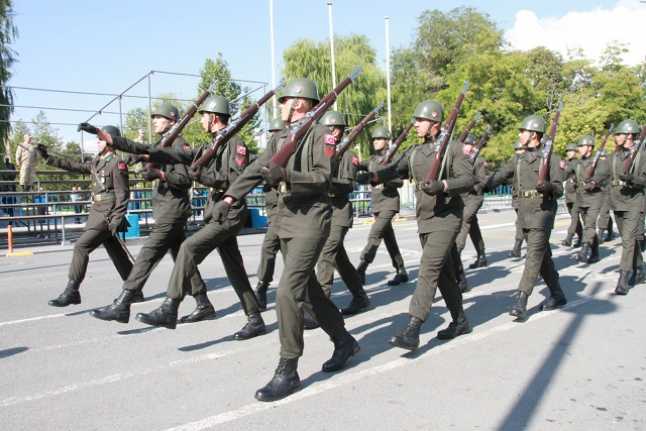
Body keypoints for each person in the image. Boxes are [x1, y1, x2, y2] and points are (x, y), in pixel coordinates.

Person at [218, 78, 359, 402]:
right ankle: (344, 341)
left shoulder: (321, 134)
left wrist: (287, 177)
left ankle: (288, 369)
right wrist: (229, 197)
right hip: (285, 220)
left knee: (287, 291)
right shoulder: (280, 137)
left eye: (284, 101)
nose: (280, 106)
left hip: (311, 220)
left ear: (298, 103)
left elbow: (323, 178)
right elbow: (256, 168)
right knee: (311, 292)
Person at [102, 95, 266, 339]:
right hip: (216, 211)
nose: (201, 122)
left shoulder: (235, 143)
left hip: (229, 212)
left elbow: (237, 182)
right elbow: (172, 155)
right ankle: (255, 319)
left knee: (188, 249)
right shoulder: (214, 142)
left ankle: (170, 305)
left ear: (214, 118)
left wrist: (201, 176)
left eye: (204, 117)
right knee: (235, 269)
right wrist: (127, 146)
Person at [362, 99, 474, 351]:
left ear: (434, 122)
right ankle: (460, 321)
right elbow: (395, 170)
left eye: (420, 121)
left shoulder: (453, 149)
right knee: (443, 274)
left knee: (428, 268)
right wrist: (373, 176)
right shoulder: (414, 152)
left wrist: (444, 185)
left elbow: (469, 178)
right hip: (425, 219)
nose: (415, 125)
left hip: (446, 218)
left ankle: (413, 328)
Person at [88, 103, 213, 324]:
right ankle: (203, 303)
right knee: (182, 258)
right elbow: (139, 150)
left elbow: (185, 179)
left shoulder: (179, 144)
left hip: (172, 210)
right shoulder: (161, 143)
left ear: (172, 120)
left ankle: (123, 303)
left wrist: (161, 175)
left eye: (159, 117)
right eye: (154, 117)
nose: (154, 120)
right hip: (166, 208)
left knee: (147, 254)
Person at [34, 127, 135, 307]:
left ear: (111, 141)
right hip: (97, 211)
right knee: (117, 254)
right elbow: (73, 166)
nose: (97, 142)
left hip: (107, 215)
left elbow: (122, 193)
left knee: (81, 246)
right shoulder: (97, 161)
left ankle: (72, 290)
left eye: (101, 139)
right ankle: (134, 290)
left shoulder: (117, 163)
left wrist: (117, 217)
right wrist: (47, 157)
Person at [488, 115, 566, 321]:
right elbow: (500, 174)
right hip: (524, 212)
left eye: (523, 131)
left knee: (533, 256)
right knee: (542, 257)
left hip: (543, 212)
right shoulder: (519, 159)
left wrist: (548, 186)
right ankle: (558, 294)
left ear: (534, 135)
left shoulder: (552, 159)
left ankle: (521, 300)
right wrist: (478, 184)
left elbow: (559, 189)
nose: (519, 134)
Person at [316, 110, 371, 316]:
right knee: (341, 261)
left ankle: (322, 306)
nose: (331, 131)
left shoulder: (347, 155)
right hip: (324, 212)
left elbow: (348, 185)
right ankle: (360, 297)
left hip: (339, 212)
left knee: (326, 254)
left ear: (341, 131)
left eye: (335, 128)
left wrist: (327, 182)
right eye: (327, 128)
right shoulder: (322, 153)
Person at [355, 126, 408, 286]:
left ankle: (361, 268)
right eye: (374, 139)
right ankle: (401, 270)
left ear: (387, 141)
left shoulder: (394, 159)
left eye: (379, 139)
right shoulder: (371, 160)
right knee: (389, 239)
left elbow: (399, 181)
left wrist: (380, 178)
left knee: (375, 234)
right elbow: (358, 164)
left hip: (389, 203)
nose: (376, 142)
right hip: (377, 205)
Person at [607, 120, 646, 295]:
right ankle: (640, 266)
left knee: (628, 239)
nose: (616, 137)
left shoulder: (642, 155)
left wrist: (632, 179)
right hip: (617, 201)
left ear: (629, 135)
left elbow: (644, 180)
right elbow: (604, 176)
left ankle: (624, 278)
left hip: (634, 200)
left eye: (619, 134)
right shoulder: (614, 156)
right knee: (628, 239)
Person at [254, 117, 285, 310]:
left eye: (276, 133)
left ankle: (261, 288)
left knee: (269, 248)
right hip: (273, 211)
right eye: (271, 134)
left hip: (285, 211)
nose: (273, 137)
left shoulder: (287, 158)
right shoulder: (266, 157)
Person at [567, 135, 609, 263]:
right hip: (581, 198)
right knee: (588, 226)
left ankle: (584, 249)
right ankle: (595, 253)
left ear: (589, 147)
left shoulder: (599, 161)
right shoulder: (577, 163)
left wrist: (593, 182)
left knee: (589, 225)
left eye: (581, 146)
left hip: (595, 197)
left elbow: (603, 174)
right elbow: (569, 173)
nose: (578, 148)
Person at [456, 134, 488, 269]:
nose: (467, 148)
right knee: (472, 225)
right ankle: (481, 254)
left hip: (474, 197)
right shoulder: (458, 159)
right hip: (461, 198)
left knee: (464, 221)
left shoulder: (478, 161)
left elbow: (482, 182)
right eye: (465, 145)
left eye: (470, 145)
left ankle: (456, 254)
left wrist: (469, 184)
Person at [561, 143, 583, 247]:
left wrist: (575, 180)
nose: (569, 153)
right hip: (569, 195)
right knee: (575, 219)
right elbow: (563, 176)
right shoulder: (566, 163)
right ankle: (581, 236)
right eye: (568, 151)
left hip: (577, 195)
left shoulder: (578, 163)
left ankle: (569, 237)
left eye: (571, 151)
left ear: (575, 152)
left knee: (574, 217)